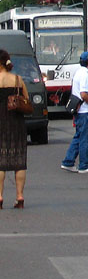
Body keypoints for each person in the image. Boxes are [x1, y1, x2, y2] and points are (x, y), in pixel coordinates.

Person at [0, 49, 30, 209]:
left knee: (0, 162)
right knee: (19, 161)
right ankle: (20, 196)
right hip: (17, 123)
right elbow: (26, 99)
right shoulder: (18, 79)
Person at [61, 51, 88, 174]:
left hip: (80, 111)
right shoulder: (85, 74)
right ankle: (85, 165)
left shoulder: (79, 72)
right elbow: (84, 94)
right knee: (86, 139)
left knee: (78, 137)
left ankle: (68, 161)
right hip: (84, 111)